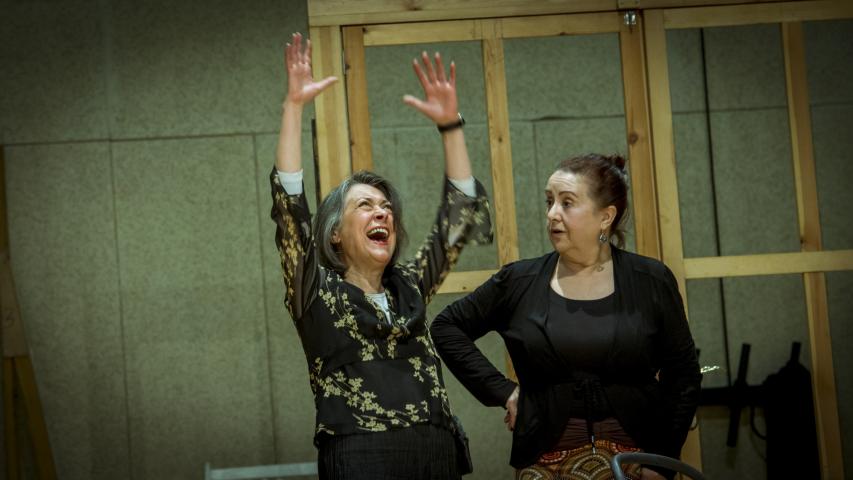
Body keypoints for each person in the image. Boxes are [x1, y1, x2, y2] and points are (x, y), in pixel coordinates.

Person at [270, 32, 492, 479]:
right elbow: (290, 211)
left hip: (436, 450)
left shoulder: (408, 284)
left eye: (387, 207)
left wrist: (451, 128)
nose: (382, 212)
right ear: (334, 234)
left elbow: (459, 220)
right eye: (365, 205)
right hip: (360, 455)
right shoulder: (315, 292)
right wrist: (293, 107)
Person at [430, 154, 702, 480]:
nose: (552, 214)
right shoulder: (519, 281)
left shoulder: (650, 280)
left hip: (638, 460)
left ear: (606, 216)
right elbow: (446, 326)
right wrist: (505, 392)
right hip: (544, 463)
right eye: (550, 202)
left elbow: (683, 376)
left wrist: (661, 464)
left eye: (567, 203)